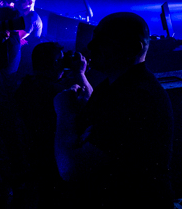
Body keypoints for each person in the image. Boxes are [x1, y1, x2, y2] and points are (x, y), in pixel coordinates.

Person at [54, 12, 173, 209]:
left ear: (134, 48)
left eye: (103, 41)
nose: (91, 47)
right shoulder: (117, 85)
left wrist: (64, 112)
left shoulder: (136, 98)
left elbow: (71, 169)